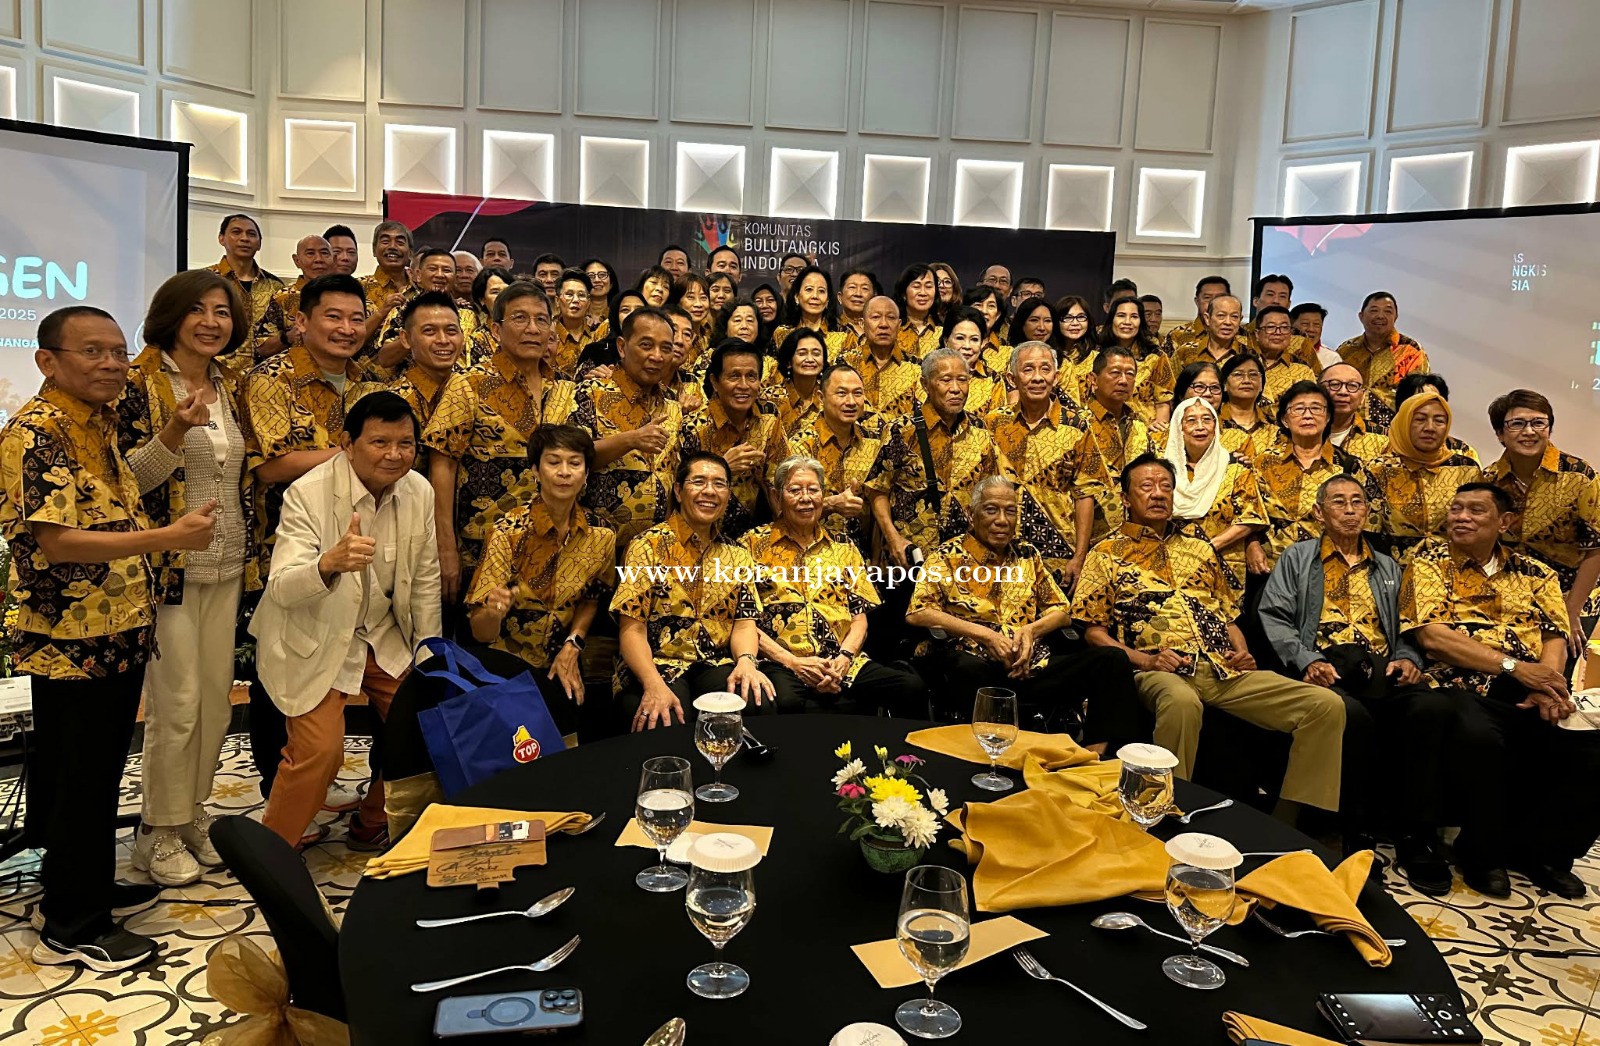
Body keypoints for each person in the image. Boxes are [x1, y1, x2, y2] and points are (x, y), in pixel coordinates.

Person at [4, 306, 217, 970]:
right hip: (70, 636)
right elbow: (58, 542)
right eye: (92, 351)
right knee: (81, 775)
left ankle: (80, 884)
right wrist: (168, 537)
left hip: (115, 629)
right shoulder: (35, 434)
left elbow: (115, 503)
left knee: (92, 772)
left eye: (119, 351)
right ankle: (74, 922)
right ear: (48, 361)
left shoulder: (95, 421)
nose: (111, 364)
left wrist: (176, 429)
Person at [1075, 454, 1346, 816]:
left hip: (1222, 669)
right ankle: (1161, 811)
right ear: (1125, 498)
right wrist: (1147, 661)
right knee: (1182, 703)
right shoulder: (1105, 553)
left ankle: (1288, 821)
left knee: (1326, 705)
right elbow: (1093, 632)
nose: (1158, 493)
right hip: (1158, 669)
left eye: (1166, 486)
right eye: (1146, 486)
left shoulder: (1200, 548)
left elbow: (1229, 617)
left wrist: (1243, 652)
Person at [252, 392, 441, 851]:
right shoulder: (308, 492)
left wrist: (431, 657)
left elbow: (425, 579)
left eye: (405, 444)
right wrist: (328, 565)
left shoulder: (419, 490)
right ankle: (274, 851)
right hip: (313, 634)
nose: (394, 455)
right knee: (318, 752)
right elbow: (281, 588)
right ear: (347, 443)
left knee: (429, 722)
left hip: (381, 634)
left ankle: (375, 819)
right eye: (379, 442)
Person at [118, 271, 254, 887]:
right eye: (197, 309)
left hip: (226, 564)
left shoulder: (231, 384)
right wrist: (174, 429)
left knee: (215, 704)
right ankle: (158, 831)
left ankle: (192, 811)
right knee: (176, 705)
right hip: (167, 568)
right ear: (171, 315)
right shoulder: (139, 384)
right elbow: (127, 482)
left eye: (222, 311)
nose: (211, 322)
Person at [1401, 482, 1600, 899]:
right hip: (1457, 682)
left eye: (1476, 510)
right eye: (1456, 508)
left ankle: (1545, 853)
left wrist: (1547, 686)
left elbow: (1554, 637)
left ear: (1505, 522)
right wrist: (1514, 668)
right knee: (1481, 735)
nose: (1461, 517)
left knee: (1589, 749)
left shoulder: (1536, 573)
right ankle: (1480, 853)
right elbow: (1433, 637)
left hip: (1525, 686)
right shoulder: (1429, 561)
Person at [1258, 475, 1450, 893]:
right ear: (1319, 512)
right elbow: (1274, 616)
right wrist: (1307, 659)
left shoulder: (1388, 567)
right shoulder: (1297, 558)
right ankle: (1356, 832)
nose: (1349, 510)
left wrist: (1409, 658)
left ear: (1368, 510)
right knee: (1352, 715)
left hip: (1381, 669)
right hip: (1326, 668)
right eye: (1338, 502)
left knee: (1430, 709)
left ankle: (1416, 835)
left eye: (1357, 502)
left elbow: (1408, 627)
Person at [241, 273, 379, 791]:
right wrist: (355, 454)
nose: (346, 329)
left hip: (357, 544)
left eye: (356, 318)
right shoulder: (271, 378)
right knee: (281, 664)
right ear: (302, 321)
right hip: (284, 544)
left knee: (334, 653)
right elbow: (271, 466)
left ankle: (321, 780)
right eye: (333, 317)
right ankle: (277, 789)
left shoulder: (369, 383)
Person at [909, 477, 1141, 750]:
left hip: (1030, 666)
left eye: (1010, 511)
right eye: (991, 510)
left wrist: (1031, 632)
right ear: (971, 514)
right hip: (976, 663)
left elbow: (1062, 611)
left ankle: (1094, 757)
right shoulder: (946, 556)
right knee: (965, 668)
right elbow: (918, 611)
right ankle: (994, 750)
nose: (1002, 520)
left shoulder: (1027, 554)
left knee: (1111, 659)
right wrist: (985, 635)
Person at [424, 282, 577, 602]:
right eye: (520, 318)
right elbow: (442, 463)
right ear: (496, 330)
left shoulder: (566, 388)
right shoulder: (469, 384)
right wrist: (445, 545)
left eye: (541, 320)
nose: (532, 329)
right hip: (480, 547)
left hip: (550, 548)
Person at [742, 456, 924, 714]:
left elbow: (859, 619)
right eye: (795, 490)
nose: (806, 498)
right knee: (784, 700)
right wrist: (793, 662)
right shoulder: (750, 545)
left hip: (840, 660)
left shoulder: (844, 546)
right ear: (776, 496)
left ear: (823, 495)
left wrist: (844, 659)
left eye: (813, 490)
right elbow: (743, 622)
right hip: (781, 661)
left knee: (910, 687)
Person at [611, 452, 777, 731]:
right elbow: (632, 629)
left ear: (728, 494)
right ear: (678, 491)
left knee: (756, 701)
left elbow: (744, 623)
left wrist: (747, 662)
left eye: (719, 484)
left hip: (714, 663)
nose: (709, 491)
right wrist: (652, 683)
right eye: (698, 482)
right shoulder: (647, 546)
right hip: (657, 663)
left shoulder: (737, 554)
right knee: (663, 719)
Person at [466, 424, 615, 723]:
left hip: (561, 657)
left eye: (575, 463)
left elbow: (591, 598)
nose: (564, 472)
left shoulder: (602, 534)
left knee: (575, 721)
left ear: (586, 473)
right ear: (536, 470)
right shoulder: (507, 532)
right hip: (505, 661)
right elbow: (480, 632)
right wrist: (494, 611)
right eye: (553, 462)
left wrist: (574, 643)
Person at [867, 348, 1005, 569]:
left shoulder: (980, 431)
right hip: (909, 558)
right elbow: (877, 489)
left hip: (963, 559)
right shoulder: (902, 430)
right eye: (945, 380)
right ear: (925, 384)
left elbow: (989, 493)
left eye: (962, 380)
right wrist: (893, 539)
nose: (956, 389)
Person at [1480, 389, 1600, 639]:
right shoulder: (1489, 480)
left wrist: (1570, 612)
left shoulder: (1579, 476)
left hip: (1571, 595)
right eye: (1517, 424)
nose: (1529, 431)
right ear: (1500, 434)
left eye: (1538, 423)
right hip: (1510, 599)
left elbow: (1596, 548)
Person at [987, 342, 1104, 592]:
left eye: (1045, 369)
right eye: (1028, 369)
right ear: (1012, 378)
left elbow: (1085, 493)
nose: (1038, 378)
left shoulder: (1077, 425)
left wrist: (1080, 556)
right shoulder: (994, 422)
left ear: (1056, 377)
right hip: (1002, 547)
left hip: (1059, 549)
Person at [575, 306, 685, 546]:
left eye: (666, 348)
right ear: (622, 347)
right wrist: (630, 440)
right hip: (595, 543)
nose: (657, 356)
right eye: (646, 345)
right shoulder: (591, 392)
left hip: (656, 547)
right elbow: (572, 459)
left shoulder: (672, 402)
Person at [1358, 390, 1481, 566]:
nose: (1430, 427)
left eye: (1439, 420)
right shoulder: (1378, 469)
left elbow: (1480, 526)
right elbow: (1369, 533)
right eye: (1420, 419)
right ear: (1404, 422)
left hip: (1457, 569)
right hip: (1394, 570)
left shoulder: (1466, 468)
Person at [681, 340, 788, 539]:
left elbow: (779, 478)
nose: (744, 386)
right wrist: (724, 468)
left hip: (756, 531)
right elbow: (681, 493)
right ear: (715, 382)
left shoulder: (769, 417)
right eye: (734, 376)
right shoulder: (694, 427)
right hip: (702, 532)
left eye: (751, 376)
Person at [1163, 396, 1266, 593]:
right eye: (1191, 420)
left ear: (1216, 426)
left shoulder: (1235, 469)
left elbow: (1251, 517)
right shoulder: (1162, 471)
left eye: (1207, 420)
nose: (1200, 427)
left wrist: (1208, 548)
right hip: (1171, 560)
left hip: (1222, 561)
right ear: (1179, 428)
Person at [1253, 381, 1354, 572]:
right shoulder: (1264, 462)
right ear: (1285, 420)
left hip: (1329, 568)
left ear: (1328, 417)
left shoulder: (1348, 465)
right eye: (1299, 409)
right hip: (1272, 569)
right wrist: (1251, 544)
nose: (1308, 415)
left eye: (1316, 408)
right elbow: (1250, 513)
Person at [785, 363, 882, 553]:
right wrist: (831, 505)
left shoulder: (874, 443)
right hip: (813, 550)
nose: (851, 401)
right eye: (841, 393)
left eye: (858, 393)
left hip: (864, 555)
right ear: (821, 397)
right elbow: (786, 510)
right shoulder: (800, 445)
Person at [1081, 345, 1152, 538]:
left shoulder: (1139, 426)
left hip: (1134, 533)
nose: (1123, 380)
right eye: (1115, 373)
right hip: (1090, 531)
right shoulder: (1078, 424)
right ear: (1093, 379)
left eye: (1130, 374)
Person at [389, 291, 465, 472]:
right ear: (406, 339)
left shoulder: (472, 388)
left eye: (451, 331)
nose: (443, 340)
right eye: (429, 331)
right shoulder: (396, 402)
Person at [209, 214, 285, 367]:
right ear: (221, 238)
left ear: (259, 244)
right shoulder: (205, 281)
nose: (244, 238)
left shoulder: (275, 286)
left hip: (264, 376)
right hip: (214, 371)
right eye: (236, 232)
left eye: (251, 234)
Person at [1084, 296, 1173, 426]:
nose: (1127, 322)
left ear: (1141, 321)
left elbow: (1163, 401)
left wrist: (1159, 425)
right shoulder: (1093, 353)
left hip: (1145, 427)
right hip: (1098, 424)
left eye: (1134, 317)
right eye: (1121, 315)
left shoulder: (1155, 356)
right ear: (1112, 319)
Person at [839, 295, 922, 432]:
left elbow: (921, 416)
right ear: (862, 323)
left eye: (891, 318)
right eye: (876, 317)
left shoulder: (916, 367)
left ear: (899, 325)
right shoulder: (845, 363)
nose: (883, 324)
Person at [1336, 292, 1428, 415]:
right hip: (1348, 421)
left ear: (1395, 317)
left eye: (1388, 311)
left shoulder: (1410, 350)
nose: (1380, 316)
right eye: (1374, 310)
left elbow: (1420, 396)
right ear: (1361, 316)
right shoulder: (1346, 349)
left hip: (1393, 423)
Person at [253, 234, 333, 360]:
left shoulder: (347, 296)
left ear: (333, 258)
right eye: (310, 253)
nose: (319, 259)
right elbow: (261, 348)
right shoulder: (282, 298)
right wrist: (288, 337)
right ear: (297, 261)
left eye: (324, 253)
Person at [1393, 372, 1478, 462]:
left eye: (1434, 399)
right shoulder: (1384, 451)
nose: (1430, 428)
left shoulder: (1463, 454)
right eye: (1420, 419)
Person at [942, 307, 1005, 417]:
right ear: (946, 340)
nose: (967, 346)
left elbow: (997, 422)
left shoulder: (993, 380)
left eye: (974, 339)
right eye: (960, 338)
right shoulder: (925, 373)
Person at [360, 221, 413, 349]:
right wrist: (383, 312)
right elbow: (350, 336)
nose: (392, 246)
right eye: (385, 242)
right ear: (374, 250)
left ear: (410, 252)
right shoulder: (357, 287)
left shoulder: (421, 289)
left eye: (400, 242)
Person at [1217, 353, 1278, 463]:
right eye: (1238, 375)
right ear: (1225, 384)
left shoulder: (1275, 424)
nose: (1246, 380)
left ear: (1261, 385)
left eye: (1253, 375)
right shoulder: (1212, 422)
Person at [1253, 305, 1317, 410]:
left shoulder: (1302, 370)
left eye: (1284, 328)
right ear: (1257, 334)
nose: (1278, 332)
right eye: (1270, 327)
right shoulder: (1243, 364)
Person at [763, 327, 825, 435]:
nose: (810, 359)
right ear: (789, 362)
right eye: (802, 353)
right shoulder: (768, 398)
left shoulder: (829, 399)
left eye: (816, 354)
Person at [1161, 275, 1232, 360]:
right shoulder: (1177, 335)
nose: (1213, 303)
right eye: (1207, 298)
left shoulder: (1241, 336)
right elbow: (1166, 367)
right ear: (1197, 301)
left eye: (1220, 298)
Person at [1174, 294, 1247, 370]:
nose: (1228, 322)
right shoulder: (1186, 351)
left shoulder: (1249, 351)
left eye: (1234, 317)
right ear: (1207, 319)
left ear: (1240, 320)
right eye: (1221, 315)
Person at [550, 268, 601, 378]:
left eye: (581, 295)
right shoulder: (548, 336)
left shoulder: (599, 335)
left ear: (588, 303)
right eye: (569, 294)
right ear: (557, 301)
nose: (576, 300)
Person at [773, 265, 837, 348]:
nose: (815, 296)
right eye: (809, 289)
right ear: (796, 297)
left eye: (821, 291)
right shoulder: (782, 333)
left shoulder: (843, 336)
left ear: (828, 300)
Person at [1053, 296, 1094, 405]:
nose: (1075, 323)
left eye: (1081, 317)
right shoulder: (1049, 357)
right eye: (1067, 318)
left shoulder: (1097, 359)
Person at [893, 264, 941, 357]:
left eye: (928, 286)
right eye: (916, 286)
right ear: (903, 293)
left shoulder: (943, 331)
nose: (923, 293)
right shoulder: (892, 329)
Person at [834, 268, 878, 360]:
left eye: (865, 289)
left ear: (874, 298)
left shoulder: (882, 330)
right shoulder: (830, 328)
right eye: (852, 287)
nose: (858, 294)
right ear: (840, 297)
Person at [1291, 302, 1338, 369]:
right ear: (1291, 325)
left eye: (1316, 324)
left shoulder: (1332, 358)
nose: (1311, 329)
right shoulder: (1279, 350)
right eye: (1305, 323)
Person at [582, 258, 618, 332]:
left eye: (602, 275)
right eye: (590, 276)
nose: (597, 280)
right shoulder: (575, 316)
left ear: (611, 283)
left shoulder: (618, 316)